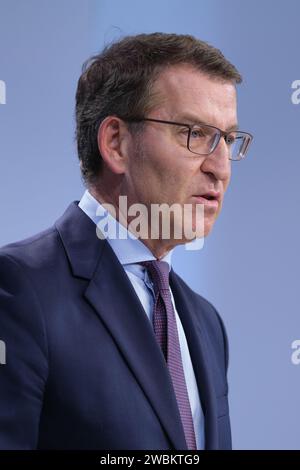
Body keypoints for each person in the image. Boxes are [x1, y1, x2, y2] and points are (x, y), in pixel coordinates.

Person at [0, 33, 252, 450]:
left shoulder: (207, 323)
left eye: (227, 139)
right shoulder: (18, 290)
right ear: (116, 143)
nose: (221, 168)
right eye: (194, 133)